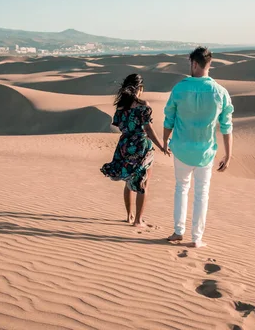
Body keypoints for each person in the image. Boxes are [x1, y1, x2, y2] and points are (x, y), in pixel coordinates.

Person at [163, 46, 234, 248]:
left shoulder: (179, 88)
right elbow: (227, 126)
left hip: (182, 150)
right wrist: (228, 155)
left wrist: (164, 141)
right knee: (202, 193)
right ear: (208, 64)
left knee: (181, 188)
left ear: (194, 63)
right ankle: (197, 238)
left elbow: (169, 118)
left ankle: (178, 232)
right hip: (205, 152)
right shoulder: (220, 92)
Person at [100, 74, 165, 227]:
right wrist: (161, 145)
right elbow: (148, 128)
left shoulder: (121, 106)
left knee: (129, 181)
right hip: (141, 146)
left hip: (124, 145)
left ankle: (129, 216)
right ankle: (138, 221)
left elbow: (120, 125)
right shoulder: (143, 105)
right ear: (140, 88)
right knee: (143, 183)